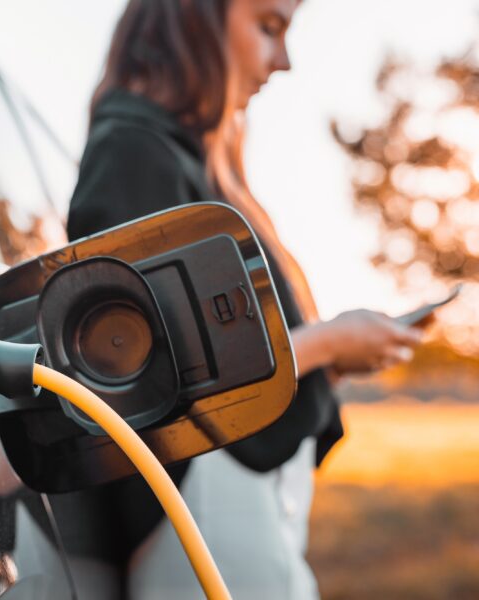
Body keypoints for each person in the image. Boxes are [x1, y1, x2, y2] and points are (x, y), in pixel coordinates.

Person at [67, 0, 424, 598]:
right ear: (193, 19)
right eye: (269, 26)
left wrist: (330, 353)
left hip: (233, 501)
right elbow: (159, 368)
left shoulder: (191, 156)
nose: (283, 61)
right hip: (200, 507)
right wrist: (330, 341)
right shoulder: (135, 152)